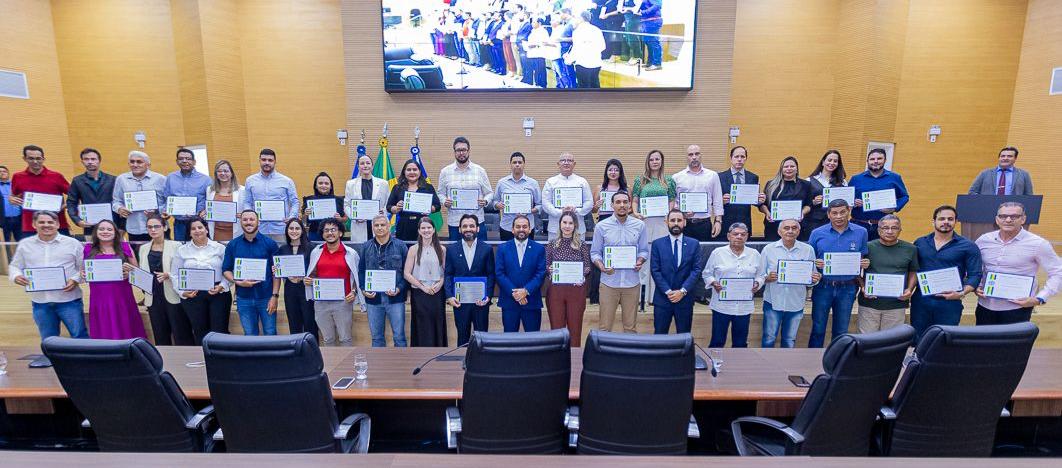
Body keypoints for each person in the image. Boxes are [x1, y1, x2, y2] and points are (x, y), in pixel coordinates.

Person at [974, 202, 1062, 325]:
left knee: (1013, 345)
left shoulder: (1038, 244)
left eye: (1014, 216)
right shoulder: (984, 240)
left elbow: (1058, 272)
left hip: (1017, 309)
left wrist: (1040, 298)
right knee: (982, 343)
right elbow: (974, 267)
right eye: (1003, 216)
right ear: (997, 219)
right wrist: (975, 285)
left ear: (1023, 219)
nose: (1008, 220)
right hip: (984, 307)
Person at [9, 211, 88, 339]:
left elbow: (84, 267)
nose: (46, 225)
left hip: (69, 301)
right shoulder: (25, 244)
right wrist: (16, 276)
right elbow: (14, 266)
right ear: (34, 224)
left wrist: (75, 280)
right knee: (49, 340)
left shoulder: (72, 243)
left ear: (57, 224)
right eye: (41, 222)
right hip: (40, 302)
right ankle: (54, 360)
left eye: (50, 222)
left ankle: (84, 360)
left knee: (79, 336)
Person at [911, 205, 982, 341]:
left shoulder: (968, 246)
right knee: (919, 339)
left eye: (950, 219)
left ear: (956, 222)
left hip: (950, 302)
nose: (946, 222)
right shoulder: (920, 243)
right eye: (941, 218)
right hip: (921, 301)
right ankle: (918, 362)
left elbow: (975, 275)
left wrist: (961, 293)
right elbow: (913, 270)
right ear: (934, 222)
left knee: (945, 341)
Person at [807, 199, 870, 348]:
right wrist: (815, 263)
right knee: (818, 328)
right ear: (828, 215)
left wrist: (864, 262)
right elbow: (808, 259)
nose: (839, 216)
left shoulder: (861, 232)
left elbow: (863, 256)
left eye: (842, 212)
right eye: (834, 213)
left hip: (847, 288)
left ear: (848, 211)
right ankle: (810, 361)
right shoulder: (817, 233)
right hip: (823, 287)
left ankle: (837, 363)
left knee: (841, 331)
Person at [590, 191, 648, 333]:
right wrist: (602, 267)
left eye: (625, 202)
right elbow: (595, 253)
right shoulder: (601, 226)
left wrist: (640, 261)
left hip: (632, 283)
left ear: (629, 205)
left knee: (630, 328)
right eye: (618, 202)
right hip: (609, 283)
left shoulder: (640, 225)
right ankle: (604, 356)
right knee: (604, 327)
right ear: (612, 205)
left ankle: (629, 356)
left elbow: (644, 251)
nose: (622, 205)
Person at [760, 219, 820, 348]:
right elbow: (759, 276)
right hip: (773, 301)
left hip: (796, 302)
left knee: (789, 340)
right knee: (769, 338)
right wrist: (767, 278)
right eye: (786, 228)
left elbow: (813, 277)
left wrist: (815, 279)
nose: (790, 231)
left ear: (799, 231)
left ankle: (786, 367)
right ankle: (766, 367)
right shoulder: (768, 249)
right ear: (779, 231)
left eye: (794, 228)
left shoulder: (808, 250)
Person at [703, 223, 764, 348]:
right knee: (717, 341)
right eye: (735, 234)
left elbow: (762, 275)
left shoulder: (755, 254)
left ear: (747, 237)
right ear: (728, 236)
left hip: (743, 307)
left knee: (740, 343)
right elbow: (706, 273)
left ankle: (738, 367)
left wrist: (757, 283)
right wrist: (714, 282)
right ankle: (715, 366)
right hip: (721, 306)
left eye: (743, 234)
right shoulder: (718, 253)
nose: (739, 237)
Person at [82, 219, 145, 340]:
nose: (105, 231)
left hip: (121, 295)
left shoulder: (125, 247)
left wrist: (129, 272)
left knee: (125, 324)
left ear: (115, 233)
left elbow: (137, 271)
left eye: (109, 229)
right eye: (101, 229)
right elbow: (83, 271)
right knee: (104, 325)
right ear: (96, 232)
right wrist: (83, 274)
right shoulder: (88, 249)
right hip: (99, 297)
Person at [172, 217, 231, 344]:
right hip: (193, 294)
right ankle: (203, 361)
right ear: (189, 232)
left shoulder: (220, 248)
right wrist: (182, 292)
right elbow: (175, 274)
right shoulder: (182, 250)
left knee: (219, 330)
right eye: (193, 229)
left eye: (200, 227)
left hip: (218, 293)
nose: (197, 231)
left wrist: (222, 286)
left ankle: (222, 362)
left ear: (206, 229)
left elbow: (228, 271)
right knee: (200, 331)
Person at [222, 209, 280, 336]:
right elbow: (226, 270)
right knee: (249, 335)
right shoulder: (233, 245)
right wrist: (238, 282)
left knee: (270, 333)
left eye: (252, 219)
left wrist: (275, 296)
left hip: (266, 297)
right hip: (243, 298)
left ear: (258, 222)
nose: (248, 222)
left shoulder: (270, 244)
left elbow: (277, 273)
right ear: (241, 222)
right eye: (245, 219)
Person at [857, 215, 918, 333]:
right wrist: (863, 286)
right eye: (885, 228)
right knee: (866, 342)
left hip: (896, 304)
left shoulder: (911, 249)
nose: (890, 231)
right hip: (869, 303)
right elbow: (854, 271)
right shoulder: (867, 247)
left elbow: (913, 271)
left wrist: (910, 289)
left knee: (891, 343)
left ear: (900, 230)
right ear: (878, 230)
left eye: (894, 228)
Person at [304, 218, 361, 346]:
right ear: (323, 234)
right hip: (321, 303)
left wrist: (353, 291)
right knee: (327, 339)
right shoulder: (316, 252)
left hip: (343, 302)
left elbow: (356, 276)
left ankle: (346, 366)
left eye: (333, 230)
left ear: (340, 233)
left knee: (345, 338)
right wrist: (309, 280)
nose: (330, 233)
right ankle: (331, 366)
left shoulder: (351, 253)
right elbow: (312, 273)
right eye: (326, 230)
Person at [137, 214, 191, 345]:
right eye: (150, 227)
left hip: (173, 293)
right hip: (153, 296)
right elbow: (142, 272)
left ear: (165, 227)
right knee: (160, 333)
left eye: (156, 226)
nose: (153, 230)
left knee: (181, 332)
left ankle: (185, 362)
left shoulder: (177, 246)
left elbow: (185, 270)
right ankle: (164, 363)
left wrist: (169, 274)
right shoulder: (143, 248)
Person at [631, 149, 677, 304]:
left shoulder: (669, 181)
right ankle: (641, 297)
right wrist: (636, 213)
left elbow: (672, 200)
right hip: (645, 223)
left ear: (662, 161)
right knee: (644, 260)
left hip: (662, 224)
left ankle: (656, 297)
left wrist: (669, 215)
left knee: (660, 262)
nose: (655, 162)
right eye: (652, 159)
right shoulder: (640, 180)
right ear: (648, 162)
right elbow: (635, 200)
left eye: (658, 159)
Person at [445, 214, 495, 346]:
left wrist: (488, 296)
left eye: (472, 226)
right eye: (465, 226)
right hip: (460, 302)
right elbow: (448, 274)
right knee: (462, 337)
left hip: (481, 302)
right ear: (459, 229)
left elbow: (491, 274)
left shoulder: (487, 249)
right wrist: (449, 296)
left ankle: (483, 365)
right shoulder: (451, 249)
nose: (468, 229)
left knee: (482, 338)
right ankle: (462, 363)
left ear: (478, 229)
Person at [650, 209, 703, 335]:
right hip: (663, 299)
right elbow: (655, 270)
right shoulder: (657, 244)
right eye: (672, 220)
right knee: (660, 336)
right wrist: (668, 292)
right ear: (666, 222)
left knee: (684, 337)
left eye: (679, 220)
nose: (676, 223)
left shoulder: (694, 244)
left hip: (685, 299)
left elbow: (696, 270)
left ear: (684, 222)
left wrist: (682, 291)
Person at [359, 215, 409, 347]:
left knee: (399, 337)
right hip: (373, 299)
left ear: (389, 227)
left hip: (395, 299)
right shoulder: (365, 246)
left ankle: (403, 367)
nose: (380, 228)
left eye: (383, 225)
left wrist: (399, 288)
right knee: (376, 338)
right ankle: (378, 367)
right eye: (376, 225)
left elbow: (407, 272)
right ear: (373, 228)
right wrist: (364, 289)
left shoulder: (401, 246)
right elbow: (361, 271)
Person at [545, 212, 591, 346]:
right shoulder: (552, 244)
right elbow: (546, 265)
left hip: (576, 290)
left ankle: (574, 361)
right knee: (557, 329)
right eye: (564, 222)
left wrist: (582, 275)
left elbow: (587, 266)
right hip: (556, 291)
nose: (567, 226)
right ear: (559, 224)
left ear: (575, 225)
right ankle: (557, 361)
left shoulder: (581, 244)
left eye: (570, 223)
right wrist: (550, 270)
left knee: (575, 330)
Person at [495, 215, 547, 332]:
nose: (521, 229)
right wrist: (515, 293)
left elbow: (540, 273)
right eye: (518, 227)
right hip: (509, 302)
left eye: (525, 226)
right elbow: (499, 273)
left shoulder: (539, 249)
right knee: (510, 342)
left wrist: (525, 291)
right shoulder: (502, 248)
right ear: (512, 229)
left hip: (531, 301)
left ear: (530, 229)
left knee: (533, 342)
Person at [10, 145, 72, 238]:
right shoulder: (17, 177)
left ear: (43, 159)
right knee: (32, 253)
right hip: (30, 227)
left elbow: (74, 195)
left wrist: (64, 206)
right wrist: (11, 199)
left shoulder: (56, 176)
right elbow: (14, 195)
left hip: (57, 224)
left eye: (38, 158)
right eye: (31, 158)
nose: (35, 161)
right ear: (24, 159)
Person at [240, 148, 299, 243]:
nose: (267, 163)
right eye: (264, 160)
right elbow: (247, 202)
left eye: (270, 160)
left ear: (275, 162)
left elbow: (295, 202)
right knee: (261, 256)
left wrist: (292, 217)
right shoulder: (250, 180)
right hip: (259, 229)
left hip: (281, 229)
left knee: (280, 256)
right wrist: (250, 218)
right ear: (259, 161)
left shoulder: (286, 181)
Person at [404, 217, 447, 347]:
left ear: (434, 230)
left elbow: (446, 272)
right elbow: (406, 273)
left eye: (429, 227)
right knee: (421, 325)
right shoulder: (413, 249)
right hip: (419, 293)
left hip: (437, 292)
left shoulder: (442, 249)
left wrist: (440, 284)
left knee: (437, 324)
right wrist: (422, 287)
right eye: (423, 228)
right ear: (419, 230)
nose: (426, 230)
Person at [438, 137, 492, 241]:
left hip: (476, 222)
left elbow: (489, 193)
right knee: (456, 254)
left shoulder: (480, 171)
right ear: (454, 152)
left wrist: (485, 201)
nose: (461, 153)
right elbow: (440, 193)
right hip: (455, 222)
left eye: (464, 150)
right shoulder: (445, 171)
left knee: (480, 253)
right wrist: (445, 201)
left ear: (469, 151)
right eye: (458, 150)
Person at [850, 148, 909, 242]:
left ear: (885, 160)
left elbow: (904, 196)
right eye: (872, 159)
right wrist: (852, 202)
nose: (876, 161)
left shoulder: (894, 178)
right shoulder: (856, 179)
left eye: (879, 158)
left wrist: (894, 208)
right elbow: (847, 198)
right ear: (867, 161)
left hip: (883, 227)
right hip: (859, 225)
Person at [112, 150, 166, 243]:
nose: (135, 164)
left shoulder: (160, 179)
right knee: (138, 255)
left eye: (139, 162)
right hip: (134, 228)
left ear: (148, 164)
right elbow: (116, 201)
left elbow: (168, 202)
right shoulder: (121, 179)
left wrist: (157, 211)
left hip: (158, 227)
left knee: (161, 256)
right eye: (132, 162)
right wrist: (119, 209)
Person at [673, 144, 724, 241]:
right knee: (684, 254)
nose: (694, 157)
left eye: (697, 154)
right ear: (687, 157)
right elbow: (674, 201)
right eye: (690, 154)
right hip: (684, 224)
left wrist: (718, 221)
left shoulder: (713, 175)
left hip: (704, 224)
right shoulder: (677, 177)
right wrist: (681, 211)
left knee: (703, 253)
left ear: (701, 156)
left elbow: (717, 200)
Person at [66, 148, 119, 240]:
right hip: (89, 226)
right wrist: (77, 220)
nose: (90, 162)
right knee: (92, 252)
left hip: (111, 225)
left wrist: (121, 226)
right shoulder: (77, 181)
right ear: (82, 161)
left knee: (113, 252)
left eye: (93, 159)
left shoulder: (113, 180)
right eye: (86, 159)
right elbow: (71, 203)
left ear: (99, 161)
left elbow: (119, 201)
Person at [276, 219, 316, 338]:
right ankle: (296, 353)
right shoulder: (282, 249)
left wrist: (306, 277)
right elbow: (280, 269)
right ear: (287, 231)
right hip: (290, 290)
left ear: (302, 230)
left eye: (297, 228)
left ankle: (312, 353)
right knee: (293, 323)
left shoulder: (311, 247)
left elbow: (317, 269)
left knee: (310, 324)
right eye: (291, 228)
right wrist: (277, 270)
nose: (294, 231)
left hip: (306, 289)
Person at [759, 156, 813, 242]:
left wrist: (802, 213)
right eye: (786, 166)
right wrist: (767, 213)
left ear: (797, 168)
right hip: (774, 227)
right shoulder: (771, 184)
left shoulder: (806, 185)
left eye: (792, 166)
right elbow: (763, 204)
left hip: (796, 227)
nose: (789, 169)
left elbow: (809, 205)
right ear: (781, 169)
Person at [161, 148, 211, 241]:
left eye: (188, 158)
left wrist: (205, 211)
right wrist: (165, 211)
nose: (184, 161)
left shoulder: (206, 179)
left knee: (201, 249)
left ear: (194, 161)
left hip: (199, 223)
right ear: (177, 161)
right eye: (181, 159)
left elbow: (210, 201)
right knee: (180, 249)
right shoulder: (170, 178)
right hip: (179, 224)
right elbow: (166, 199)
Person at [386, 159, 441, 242]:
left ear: (419, 172)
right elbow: (389, 207)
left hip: (423, 225)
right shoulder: (397, 187)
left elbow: (437, 206)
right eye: (408, 170)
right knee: (405, 251)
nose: (412, 172)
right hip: (404, 225)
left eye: (415, 169)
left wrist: (429, 208)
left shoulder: (428, 187)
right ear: (404, 172)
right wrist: (396, 208)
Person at [542, 152, 593, 241]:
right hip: (555, 228)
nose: (566, 163)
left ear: (574, 164)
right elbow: (545, 203)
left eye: (569, 160)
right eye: (563, 160)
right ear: (558, 164)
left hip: (578, 228)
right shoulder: (550, 182)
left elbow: (589, 202)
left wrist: (577, 210)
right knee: (555, 254)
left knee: (578, 254)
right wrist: (560, 211)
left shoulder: (582, 181)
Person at [716, 146, 764, 241]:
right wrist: (721, 200)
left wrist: (759, 200)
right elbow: (713, 201)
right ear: (731, 158)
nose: (739, 159)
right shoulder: (719, 177)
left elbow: (754, 202)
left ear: (746, 158)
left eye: (742, 157)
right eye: (736, 156)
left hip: (744, 222)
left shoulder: (753, 177)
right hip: (725, 222)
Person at [493, 152, 541, 241]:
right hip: (507, 226)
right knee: (507, 254)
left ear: (524, 164)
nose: (517, 165)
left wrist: (530, 210)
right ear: (510, 165)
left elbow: (540, 205)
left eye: (520, 162)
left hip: (527, 227)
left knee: (527, 254)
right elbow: (495, 202)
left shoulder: (533, 183)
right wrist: (498, 205)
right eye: (514, 162)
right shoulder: (502, 183)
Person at [343, 154, 389, 243]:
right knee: (361, 251)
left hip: (378, 223)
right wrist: (354, 216)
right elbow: (346, 205)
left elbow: (387, 203)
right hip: (359, 224)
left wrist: (383, 212)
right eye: (362, 163)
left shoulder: (383, 183)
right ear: (358, 167)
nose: (365, 165)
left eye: (368, 163)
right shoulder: (350, 184)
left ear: (372, 166)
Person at [806, 150, 847, 232]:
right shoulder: (809, 181)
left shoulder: (843, 182)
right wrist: (813, 202)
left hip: (835, 223)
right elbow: (804, 203)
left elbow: (846, 203)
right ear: (823, 162)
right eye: (829, 160)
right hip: (813, 223)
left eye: (835, 161)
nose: (832, 163)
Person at [203, 160, 243, 242]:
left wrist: (243, 215)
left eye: (226, 171)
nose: (223, 173)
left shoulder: (242, 190)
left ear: (231, 173)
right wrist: (205, 213)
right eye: (219, 171)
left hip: (235, 232)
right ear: (216, 174)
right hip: (216, 232)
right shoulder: (209, 190)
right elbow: (209, 209)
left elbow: (246, 211)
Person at [301, 172, 347, 242]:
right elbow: (303, 222)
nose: (323, 185)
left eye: (326, 183)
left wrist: (340, 219)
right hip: (314, 234)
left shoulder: (339, 200)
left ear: (331, 186)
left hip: (334, 234)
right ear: (316, 186)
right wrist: (305, 215)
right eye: (320, 183)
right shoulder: (309, 200)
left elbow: (345, 219)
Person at [968, 146, 1033, 195]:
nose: (1005, 158)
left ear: (1015, 158)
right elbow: (972, 192)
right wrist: (984, 200)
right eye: (1003, 156)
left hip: (1012, 210)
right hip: (987, 207)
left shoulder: (1024, 174)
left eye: (1009, 156)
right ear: (999, 158)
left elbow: (1029, 196)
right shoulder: (985, 173)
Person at [566, 10, 605, 88]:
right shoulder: (597, 30)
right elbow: (603, 46)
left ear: (580, 18)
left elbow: (576, 49)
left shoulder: (577, 31)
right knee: (595, 87)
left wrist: (568, 60)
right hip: (596, 63)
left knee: (584, 91)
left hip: (583, 64)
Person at [592, 158, 628, 222]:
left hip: (622, 219)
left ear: (620, 172)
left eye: (616, 170)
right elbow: (593, 211)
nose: (613, 172)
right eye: (610, 170)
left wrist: (622, 211)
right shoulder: (600, 188)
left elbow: (631, 208)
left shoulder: (627, 188)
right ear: (606, 172)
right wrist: (597, 206)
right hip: (604, 220)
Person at [0, 165, 21, 255]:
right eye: (0, 171)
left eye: (4, 171)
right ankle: (8, 264)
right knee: (6, 243)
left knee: (22, 241)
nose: (2, 173)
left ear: (8, 173)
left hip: (19, 218)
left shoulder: (16, 185)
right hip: (3, 220)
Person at [639, 0, 663, 70]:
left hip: (653, 21)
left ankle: (657, 63)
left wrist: (643, 12)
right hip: (646, 21)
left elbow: (657, 5)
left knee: (654, 42)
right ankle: (650, 62)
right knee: (647, 42)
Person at [619, 0, 644, 64]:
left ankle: (637, 57)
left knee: (633, 38)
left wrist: (627, 8)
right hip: (627, 18)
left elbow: (637, 8)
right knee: (628, 39)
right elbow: (620, 8)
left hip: (634, 19)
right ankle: (634, 56)